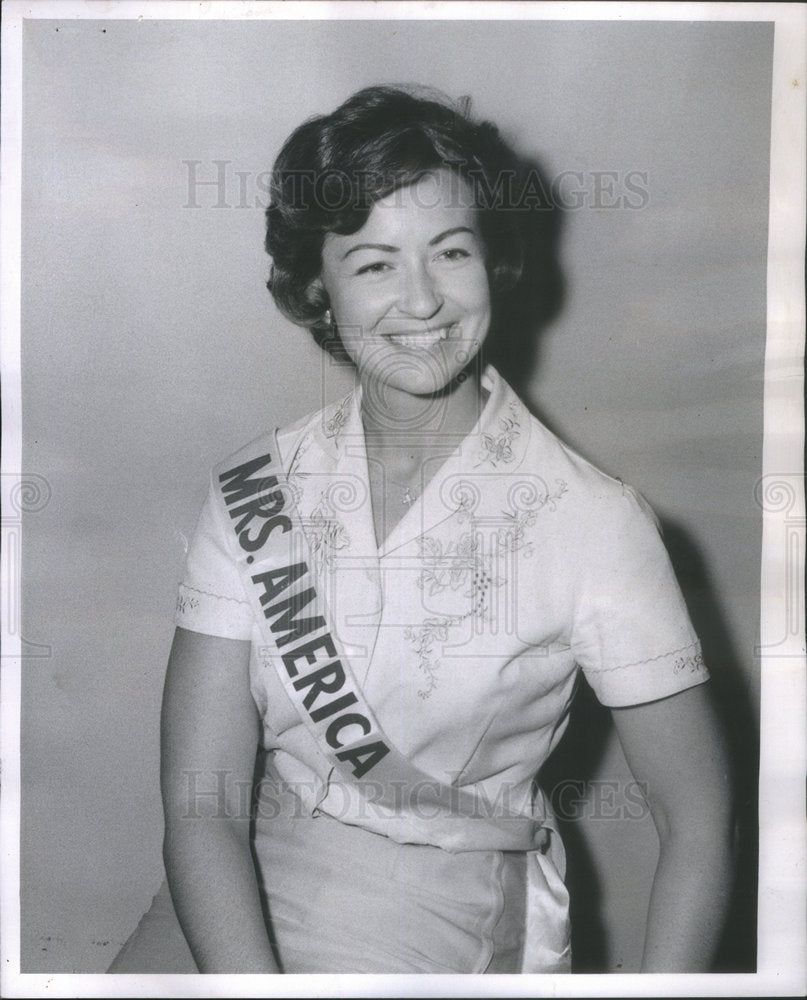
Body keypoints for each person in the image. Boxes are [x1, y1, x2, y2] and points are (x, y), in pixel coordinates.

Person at [109, 85, 733, 975]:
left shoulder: (594, 523)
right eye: (372, 265)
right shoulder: (257, 486)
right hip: (254, 864)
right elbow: (200, 808)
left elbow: (698, 816)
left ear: (492, 262)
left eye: (449, 252)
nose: (423, 302)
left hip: (449, 889)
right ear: (317, 291)